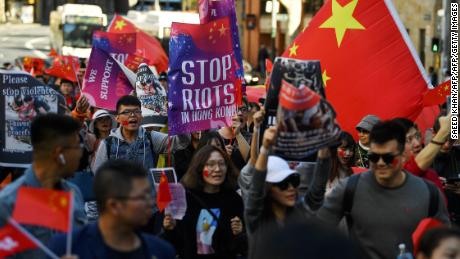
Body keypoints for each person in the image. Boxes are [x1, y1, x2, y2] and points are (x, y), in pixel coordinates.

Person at [316, 120, 450, 259]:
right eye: (374, 157)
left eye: (388, 158)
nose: (380, 163)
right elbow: (316, 232)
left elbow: (445, 245)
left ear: (403, 155)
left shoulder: (429, 193)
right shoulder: (350, 188)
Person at [0, 114, 87, 258]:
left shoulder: (73, 193)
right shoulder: (8, 204)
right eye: (78, 146)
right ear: (59, 154)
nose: (80, 153)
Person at [49, 160, 175, 259]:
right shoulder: (65, 248)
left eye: (150, 195)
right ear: (113, 205)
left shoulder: (161, 251)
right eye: (142, 197)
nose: (151, 202)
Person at [244, 126, 331, 259]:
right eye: (283, 184)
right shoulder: (257, 219)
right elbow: (256, 191)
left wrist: (323, 145)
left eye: (293, 181)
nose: (291, 188)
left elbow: (317, 190)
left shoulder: (300, 212)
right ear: (268, 188)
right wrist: (265, 148)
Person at [162, 146, 246, 259]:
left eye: (222, 164)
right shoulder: (184, 198)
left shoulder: (234, 200)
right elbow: (175, 244)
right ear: (200, 168)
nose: (217, 169)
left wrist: (239, 233)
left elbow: (240, 247)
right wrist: (170, 228)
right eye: (211, 164)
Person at [92, 95, 190, 173]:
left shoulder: (151, 138)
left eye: (136, 111)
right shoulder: (107, 144)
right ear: (117, 118)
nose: (132, 115)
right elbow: (98, 174)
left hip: (147, 196)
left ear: (141, 116)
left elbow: (182, 142)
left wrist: (176, 116)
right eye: (126, 112)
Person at [327, 131, 355, 195]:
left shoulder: (351, 173)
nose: (347, 153)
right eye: (344, 149)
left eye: (351, 149)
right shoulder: (323, 170)